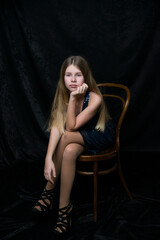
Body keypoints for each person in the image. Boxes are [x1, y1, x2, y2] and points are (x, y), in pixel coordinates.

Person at [32, 56, 115, 236]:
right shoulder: (62, 95)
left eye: (78, 75)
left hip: (97, 135)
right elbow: (57, 126)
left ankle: (48, 191)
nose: (73, 80)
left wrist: (73, 99)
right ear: (63, 78)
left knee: (67, 135)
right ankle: (65, 209)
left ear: (86, 77)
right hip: (75, 139)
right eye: (68, 75)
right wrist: (48, 158)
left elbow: (70, 127)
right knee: (68, 151)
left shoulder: (94, 98)